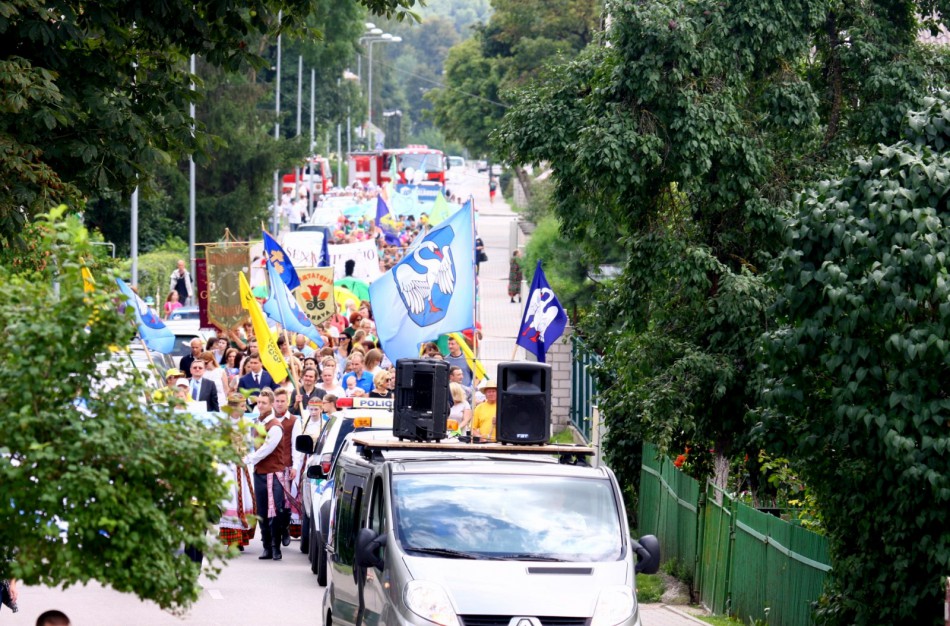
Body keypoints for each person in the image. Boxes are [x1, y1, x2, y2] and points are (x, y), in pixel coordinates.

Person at [242, 389, 292, 561]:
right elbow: (253, 444)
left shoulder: (275, 426)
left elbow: (267, 448)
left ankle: (276, 547)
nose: (260, 405)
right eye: (259, 402)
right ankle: (266, 547)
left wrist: (249, 458)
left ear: (271, 404)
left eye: (264, 403)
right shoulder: (257, 423)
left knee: (275, 511)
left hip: (274, 473)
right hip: (260, 473)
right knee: (262, 511)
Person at [218, 393, 256, 551]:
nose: (245, 409)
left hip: (242, 465)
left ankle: (241, 538)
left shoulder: (246, 423)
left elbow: (249, 444)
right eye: (242, 406)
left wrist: (245, 458)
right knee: (230, 500)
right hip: (227, 466)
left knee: (245, 499)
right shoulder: (223, 424)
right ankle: (232, 540)